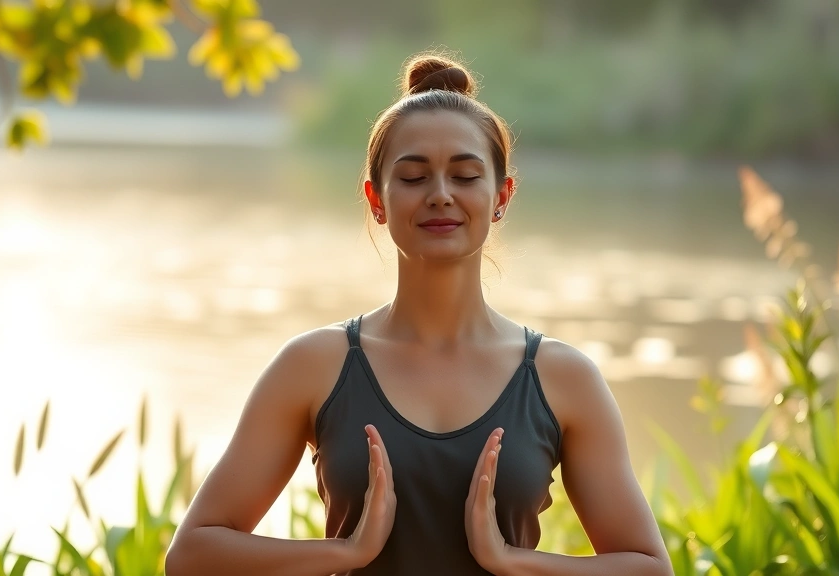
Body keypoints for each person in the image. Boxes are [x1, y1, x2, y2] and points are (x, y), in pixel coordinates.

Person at [165, 52, 672, 576]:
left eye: (465, 174)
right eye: (412, 177)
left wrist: (511, 561)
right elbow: (192, 556)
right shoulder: (314, 365)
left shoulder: (561, 377)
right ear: (375, 199)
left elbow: (648, 568)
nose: (440, 195)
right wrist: (347, 552)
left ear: (501, 195)